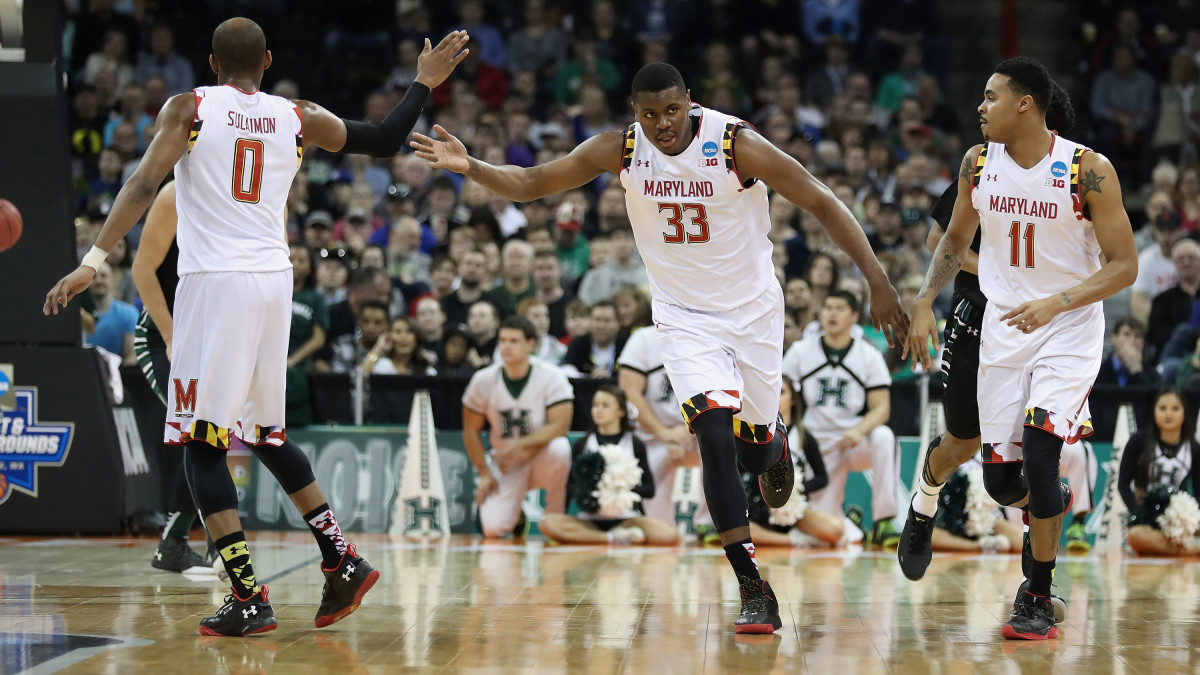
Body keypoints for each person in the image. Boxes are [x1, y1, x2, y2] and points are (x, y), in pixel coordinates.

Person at [413, 61, 907, 634]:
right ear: (635, 112)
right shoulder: (621, 150)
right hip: (684, 319)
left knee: (752, 450)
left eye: (672, 110)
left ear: (689, 101)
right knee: (714, 438)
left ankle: (773, 441)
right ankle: (753, 586)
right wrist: (469, 164)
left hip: (753, 314)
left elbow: (821, 201)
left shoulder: (735, 144)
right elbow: (530, 183)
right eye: (650, 114)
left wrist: (878, 281)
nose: (663, 123)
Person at [45, 20, 469, 636]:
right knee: (265, 434)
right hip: (274, 282)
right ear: (268, 60)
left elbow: (142, 184)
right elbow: (383, 139)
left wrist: (92, 261)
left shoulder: (189, 106)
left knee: (200, 440)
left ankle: (248, 595)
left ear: (212, 63)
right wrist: (422, 84)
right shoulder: (296, 115)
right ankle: (341, 558)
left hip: (216, 284)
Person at [903, 57, 1138, 641]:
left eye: (991, 97)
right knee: (1002, 484)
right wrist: (925, 298)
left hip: (1067, 331)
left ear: (1024, 103)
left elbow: (1126, 266)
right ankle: (1041, 510)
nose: (980, 108)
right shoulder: (977, 163)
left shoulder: (1088, 169)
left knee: (1040, 455)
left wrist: (1058, 302)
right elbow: (955, 240)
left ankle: (1036, 591)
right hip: (1004, 334)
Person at [897, 77, 1083, 580]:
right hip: (983, 314)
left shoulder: (1071, 178)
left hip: (1045, 325)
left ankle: (1037, 527)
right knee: (962, 443)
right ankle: (924, 501)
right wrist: (1004, 278)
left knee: (1035, 453)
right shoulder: (983, 167)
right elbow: (945, 238)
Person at [128, 181, 213, 575]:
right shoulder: (175, 194)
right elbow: (142, 270)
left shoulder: (234, 195)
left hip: (208, 337)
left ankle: (213, 540)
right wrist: (170, 334)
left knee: (216, 432)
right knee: (198, 429)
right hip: (162, 336)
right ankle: (175, 542)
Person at [783, 291, 900, 547]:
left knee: (883, 436)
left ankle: (884, 520)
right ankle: (854, 525)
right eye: (827, 308)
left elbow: (882, 408)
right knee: (825, 534)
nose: (832, 313)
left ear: (854, 316)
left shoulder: (868, 355)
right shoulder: (801, 351)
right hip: (812, 442)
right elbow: (781, 396)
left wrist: (859, 431)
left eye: (839, 308)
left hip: (851, 438)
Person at [462, 316, 574, 538]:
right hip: (506, 462)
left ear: (531, 344)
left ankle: (555, 518)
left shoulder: (552, 376)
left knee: (561, 448)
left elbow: (560, 426)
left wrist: (524, 443)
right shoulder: (483, 380)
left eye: (514, 341)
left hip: (541, 455)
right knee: (492, 530)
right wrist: (484, 472)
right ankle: (516, 515)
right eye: (502, 340)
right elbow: (471, 430)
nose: (506, 346)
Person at [539, 384, 680, 546]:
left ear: (620, 411)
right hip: (589, 520)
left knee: (670, 534)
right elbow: (571, 487)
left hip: (627, 519)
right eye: (595, 405)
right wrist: (593, 489)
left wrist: (619, 490)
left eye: (605, 406)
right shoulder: (582, 444)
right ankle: (611, 538)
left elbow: (649, 490)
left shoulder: (635, 444)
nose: (597, 410)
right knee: (547, 523)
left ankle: (601, 536)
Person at [618, 323, 709, 530]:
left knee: (719, 447)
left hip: (701, 428)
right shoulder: (643, 338)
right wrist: (663, 432)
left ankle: (712, 524)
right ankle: (655, 524)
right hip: (654, 434)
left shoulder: (709, 334)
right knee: (655, 523)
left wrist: (691, 430)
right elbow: (629, 391)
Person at [742, 376, 850, 548]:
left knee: (836, 529)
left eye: (782, 393)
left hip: (793, 509)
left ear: (793, 399)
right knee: (736, 530)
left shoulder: (803, 437)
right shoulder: (752, 432)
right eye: (772, 393)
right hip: (759, 507)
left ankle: (784, 534)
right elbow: (740, 470)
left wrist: (794, 491)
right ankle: (793, 540)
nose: (776, 398)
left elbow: (822, 477)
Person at [1119, 389, 1198, 555]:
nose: (1169, 414)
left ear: (1184, 413)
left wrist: (1188, 518)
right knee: (1136, 536)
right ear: (1154, 411)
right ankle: (1186, 551)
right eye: (1162, 408)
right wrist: (1137, 513)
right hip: (1147, 519)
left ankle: (1173, 546)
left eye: (1175, 409)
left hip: (1178, 517)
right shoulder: (1138, 442)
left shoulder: (1193, 448)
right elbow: (1123, 484)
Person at [561, 300, 626, 378]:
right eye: (597, 320)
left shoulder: (627, 345)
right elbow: (567, 370)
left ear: (618, 323)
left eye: (607, 320)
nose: (601, 326)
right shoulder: (578, 343)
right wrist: (589, 377)